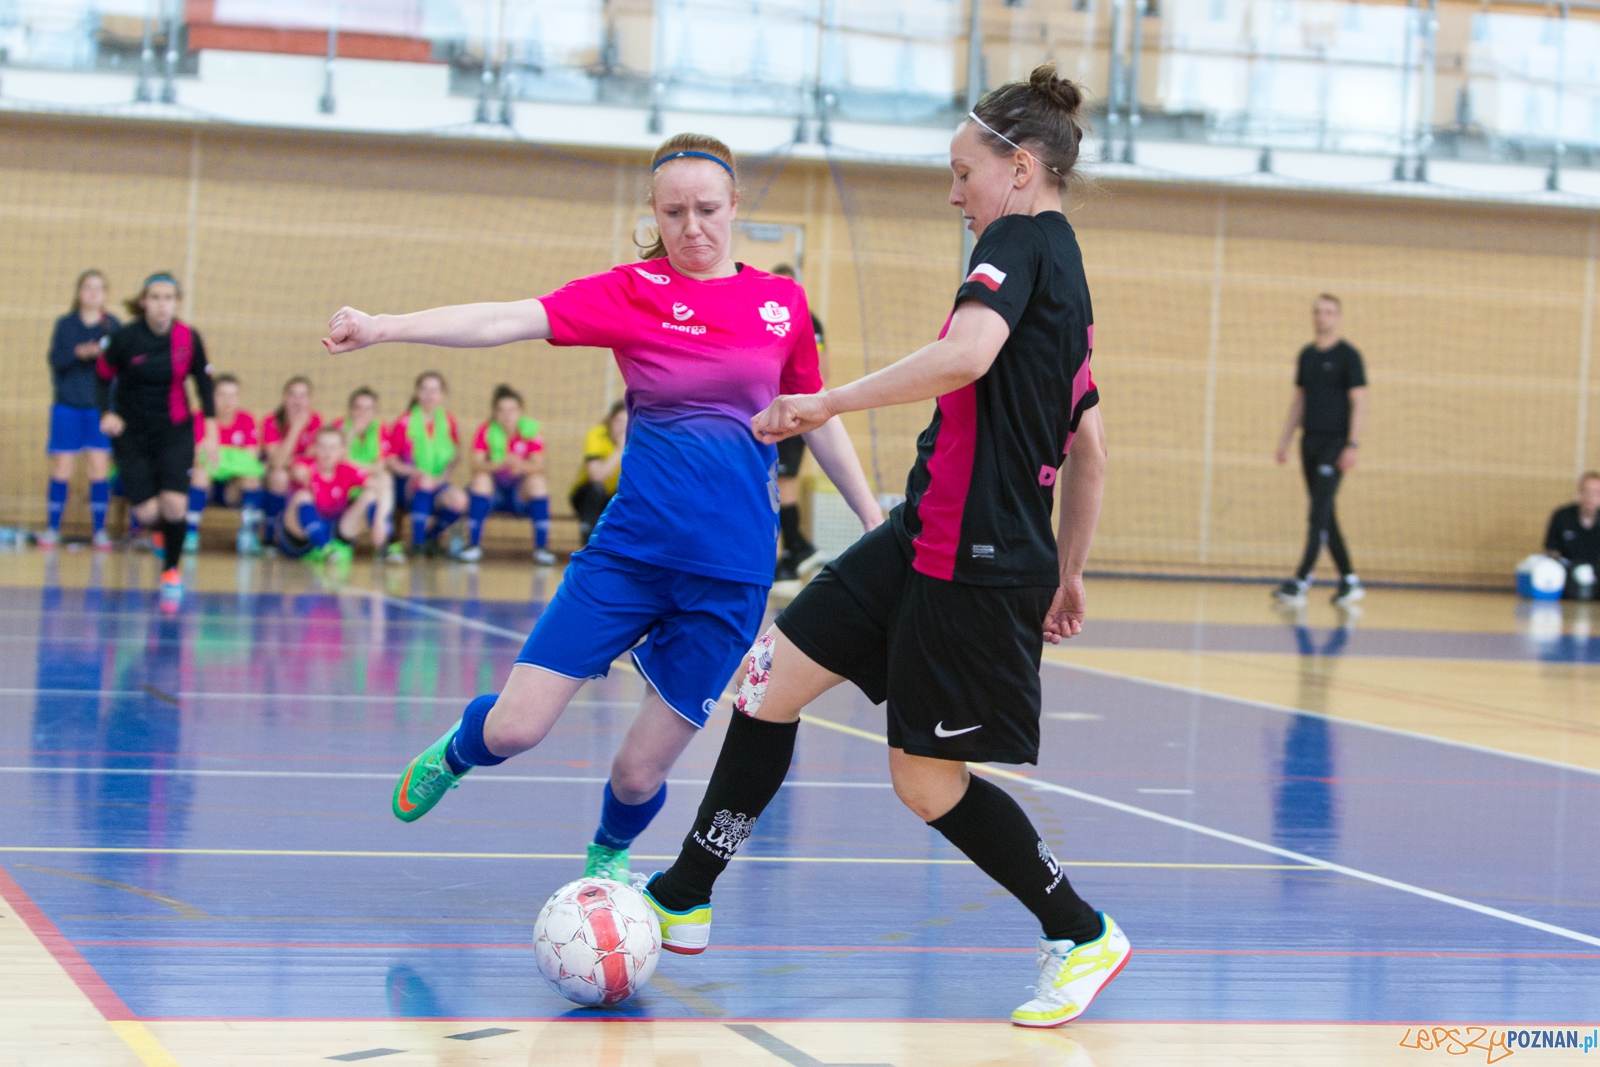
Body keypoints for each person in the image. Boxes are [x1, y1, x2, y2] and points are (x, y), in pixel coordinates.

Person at [633, 67, 1127, 1030]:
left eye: (962, 173)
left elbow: (968, 355)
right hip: (920, 534)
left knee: (924, 781)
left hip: (974, 563)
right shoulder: (1064, 269)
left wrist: (828, 399)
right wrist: (1072, 571)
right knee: (769, 677)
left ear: (1019, 169)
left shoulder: (1017, 242)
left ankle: (1081, 931)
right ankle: (685, 892)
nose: (954, 195)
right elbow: (1092, 447)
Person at [323, 131, 880, 885]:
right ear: (654, 211)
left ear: (735, 206)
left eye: (708, 210)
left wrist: (875, 523)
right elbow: (504, 319)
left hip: (731, 574)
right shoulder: (632, 292)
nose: (693, 227)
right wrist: (384, 327)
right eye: (675, 212)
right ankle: (459, 749)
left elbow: (815, 414)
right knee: (515, 727)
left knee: (637, 776)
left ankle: (608, 854)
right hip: (629, 557)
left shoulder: (779, 302)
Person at [96, 272, 217, 611]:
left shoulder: (187, 338)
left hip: (175, 430)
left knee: (175, 505)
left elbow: (204, 386)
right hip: (131, 433)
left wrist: (210, 433)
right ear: (144, 302)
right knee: (148, 511)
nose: (162, 305)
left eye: (168, 298)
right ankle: (161, 532)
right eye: (155, 297)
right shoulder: (125, 338)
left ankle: (171, 571)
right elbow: (102, 378)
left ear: (176, 302)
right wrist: (106, 412)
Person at [1273, 294, 1367, 608]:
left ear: (1338, 317)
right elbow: (1299, 401)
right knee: (1325, 512)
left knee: (1318, 513)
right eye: (1317, 312)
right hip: (1309, 443)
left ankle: (1301, 580)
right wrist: (1285, 440)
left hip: (1335, 444)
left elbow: (1360, 402)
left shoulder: (1349, 356)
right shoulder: (1307, 356)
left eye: (1328, 312)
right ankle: (1349, 580)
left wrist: (1352, 445)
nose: (1321, 317)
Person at [42, 270, 120, 550]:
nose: (93, 293)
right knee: (62, 466)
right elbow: (55, 359)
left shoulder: (112, 325)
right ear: (79, 292)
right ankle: (53, 528)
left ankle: (99, 531)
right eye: (88, 287)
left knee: (98, 467)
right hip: (67, 405)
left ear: (105, 294)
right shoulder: (66, 324)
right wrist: (78, 353)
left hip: (100, 409)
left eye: (99, 288)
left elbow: (121, 364)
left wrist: (103, 356)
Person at [768, 264, 829, 582]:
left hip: (793, 414)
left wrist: (810, 409)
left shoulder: (807, 319)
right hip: (772, 414)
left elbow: (821, 371)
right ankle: (794, 549)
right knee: (771, 487)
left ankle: (797, 550)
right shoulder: (767, 318)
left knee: (783, 485)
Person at [461, 384, 556, 565]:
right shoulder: (486, 430)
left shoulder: (531, 430)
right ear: (495, 412)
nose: (507, 415)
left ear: (520, 411)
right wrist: (500, 463)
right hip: (493, 495)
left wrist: (520, 466)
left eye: (512, 410)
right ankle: (473, 545)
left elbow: (540, 465)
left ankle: (542, 548)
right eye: (502, 410)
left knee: (538, 482)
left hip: (518, 495)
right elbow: (475, 464)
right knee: (480, 479)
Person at [387, 371, 468, 557]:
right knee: (424, 481)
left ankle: (431, 537)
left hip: (437, 483)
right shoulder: (404, 422)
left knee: (460, 500)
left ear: (442, 395)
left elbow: (455, 456)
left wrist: (442, 478)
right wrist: (415, 472)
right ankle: (418, 545)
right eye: (425, 389)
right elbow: (391, 461)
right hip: (406, 486)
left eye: (435, 390)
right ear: (417, 393)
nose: (430, 395)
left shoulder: (448, 422)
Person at [186, 373, 265, 555]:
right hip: (206, 485)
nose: (228, 400)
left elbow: (250, 460)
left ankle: (248, 534)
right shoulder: (200, 417)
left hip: (231, 487)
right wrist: (233, 457)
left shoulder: (246, 419)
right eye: (222, 395)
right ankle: (190, 534)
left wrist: (217, 454)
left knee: (252, 478)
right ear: (212, 397)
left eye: (233, 395)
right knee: (200, 473)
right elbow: (198, 456)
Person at [277, 425, 376, 566]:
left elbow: (376, 486)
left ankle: (387, 544)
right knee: (302, 496)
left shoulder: (347, 470)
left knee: (371, 495)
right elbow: (297, 470)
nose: (327, 452)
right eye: (322, 447)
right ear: (315, 448)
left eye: (333, 448)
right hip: (301, 541)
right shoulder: (305, 465)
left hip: (336, 535)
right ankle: (325, 549)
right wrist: (300, 474)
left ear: (342, 450)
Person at [333, 386, 401, 563]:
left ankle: (380, 530)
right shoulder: (339, 427)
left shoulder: (380, 428)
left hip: (369, 488)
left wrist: (355, 466)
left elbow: (381, 466)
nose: (363, 413)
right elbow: (338, 464)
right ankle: (386, 537)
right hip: (344, 490)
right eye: (358, 408)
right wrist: (351, 434)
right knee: (381, 484)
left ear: (375, 411)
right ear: (350, 409)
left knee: (379, 485)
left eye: (368, 408)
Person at [262, 376, 321, 546]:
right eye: (293, 395)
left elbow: (314, 458)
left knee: (308, 474)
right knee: (279, 476)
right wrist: (296, 428)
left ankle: (307, 533)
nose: (298, 401)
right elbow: (277, 462)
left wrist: (291, 461)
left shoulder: (316, 421)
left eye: (303, 396)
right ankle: (270, 532)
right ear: (284, 398)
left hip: (300, 472)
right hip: (273, 476)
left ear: (310, 400)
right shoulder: (271, 421)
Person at [570, 401, 626, 547]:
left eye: (627, 422)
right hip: (586, 495)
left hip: (615, 495)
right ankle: (587, 544)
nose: (622, 428)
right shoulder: (596, 435)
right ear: (610, 421)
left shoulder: (638, 440)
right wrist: (619, 450)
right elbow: (596, 476)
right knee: (596, 490)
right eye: (619, 421)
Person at [1544, 472, 1600, 595]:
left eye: (1596, 493)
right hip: (1566, 576)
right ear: (1580, 492)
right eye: (1587, 491)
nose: (1591, 497)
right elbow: (1551, 549)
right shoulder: (1562, 516)